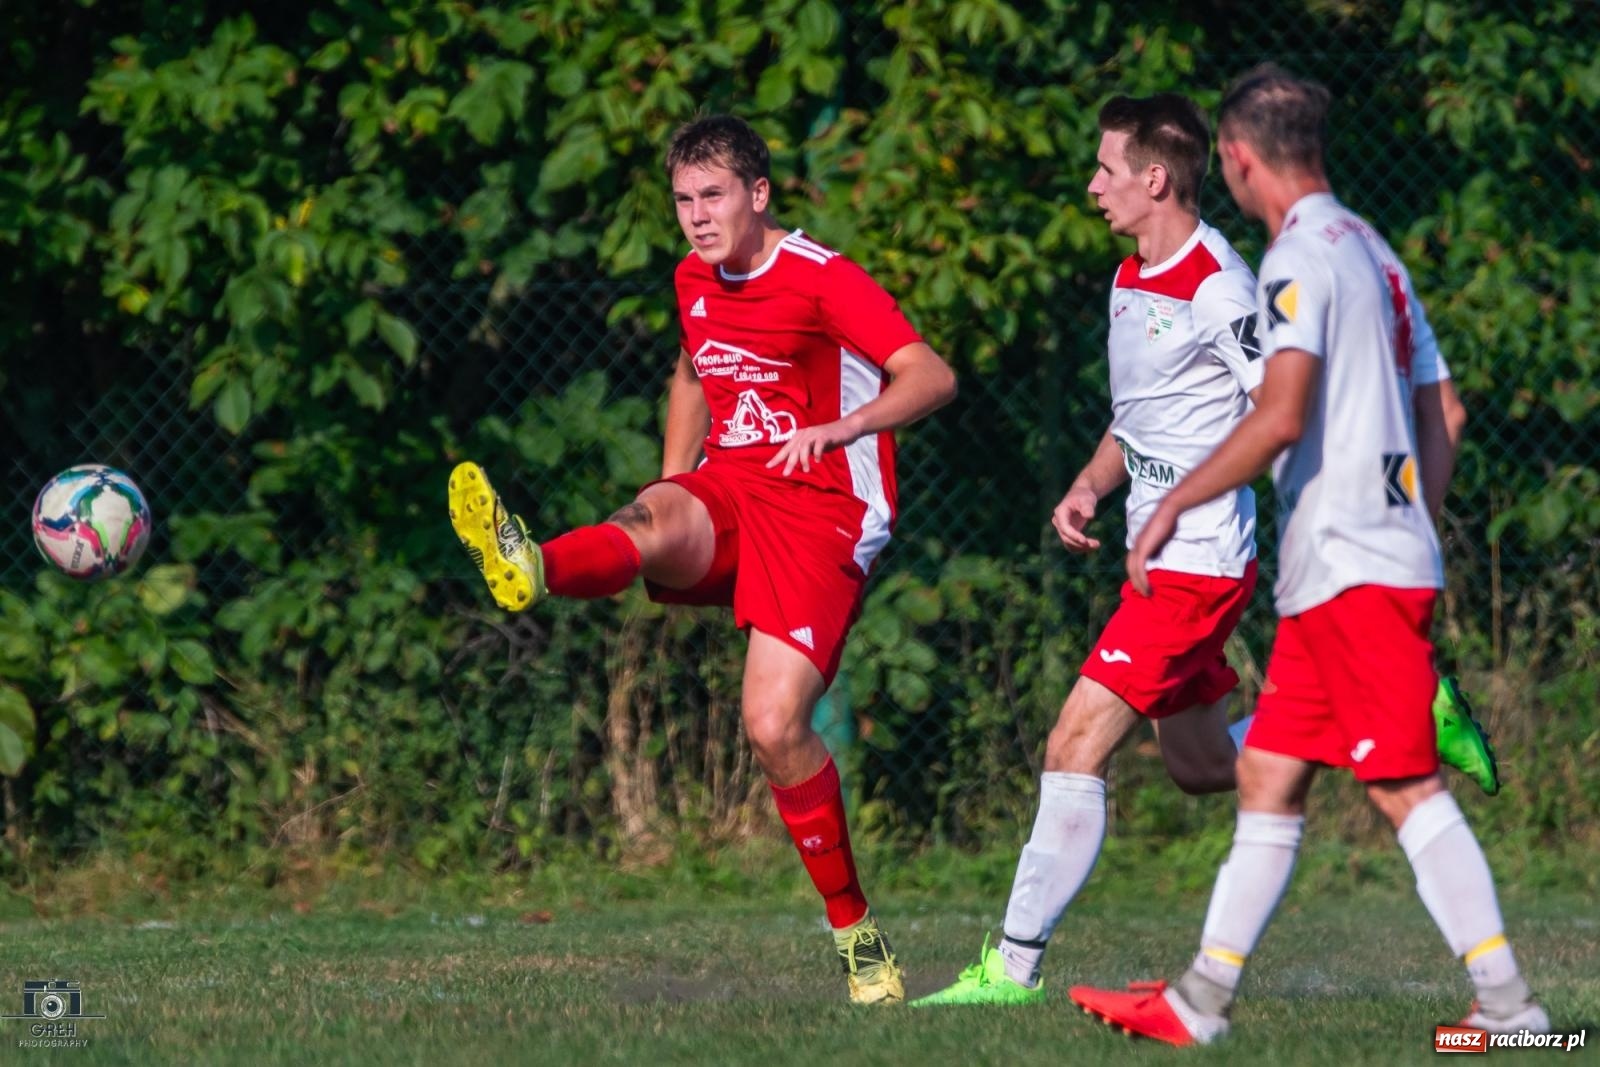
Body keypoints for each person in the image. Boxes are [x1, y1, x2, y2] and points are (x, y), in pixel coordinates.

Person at [1068, 64, 1548, 1044]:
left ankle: (1512, 1009)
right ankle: (1200, 1001)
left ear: (1240, 159)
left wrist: (1173, 504)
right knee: (1266, 776)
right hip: (1354, 561)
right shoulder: (1375, 251)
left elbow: (1279, 414)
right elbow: (1445, 413)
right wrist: (1411, 526)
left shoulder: (1293, 259)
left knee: (1403, 785)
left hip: (1348, 564)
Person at [448, 114, 957, 1005]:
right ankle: (532, 563)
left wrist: (845, 426)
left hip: (824, 511)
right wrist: (673, 480)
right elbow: (690, 371)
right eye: (683, 199)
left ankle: (855, 932)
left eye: (713, 195)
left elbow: (931, 375)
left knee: (773, 726)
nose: (697, 216)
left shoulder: (823, 278)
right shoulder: (693, 277)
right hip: (733, 486)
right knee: (649, 519)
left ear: (759, 193)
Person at [914, 93, 1267, 1007]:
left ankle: (1013, 968)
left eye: (1107, 169)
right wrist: (1088, 483)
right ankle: (1383, 709)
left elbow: (1281, 413)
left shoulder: (1220, 287)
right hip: (1157, 560)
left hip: (1196, 565)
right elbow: (1138, 420)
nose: (1093, 185)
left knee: (1073, 741)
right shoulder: (1130, 277)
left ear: (1155, 178)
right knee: (1200, 766)